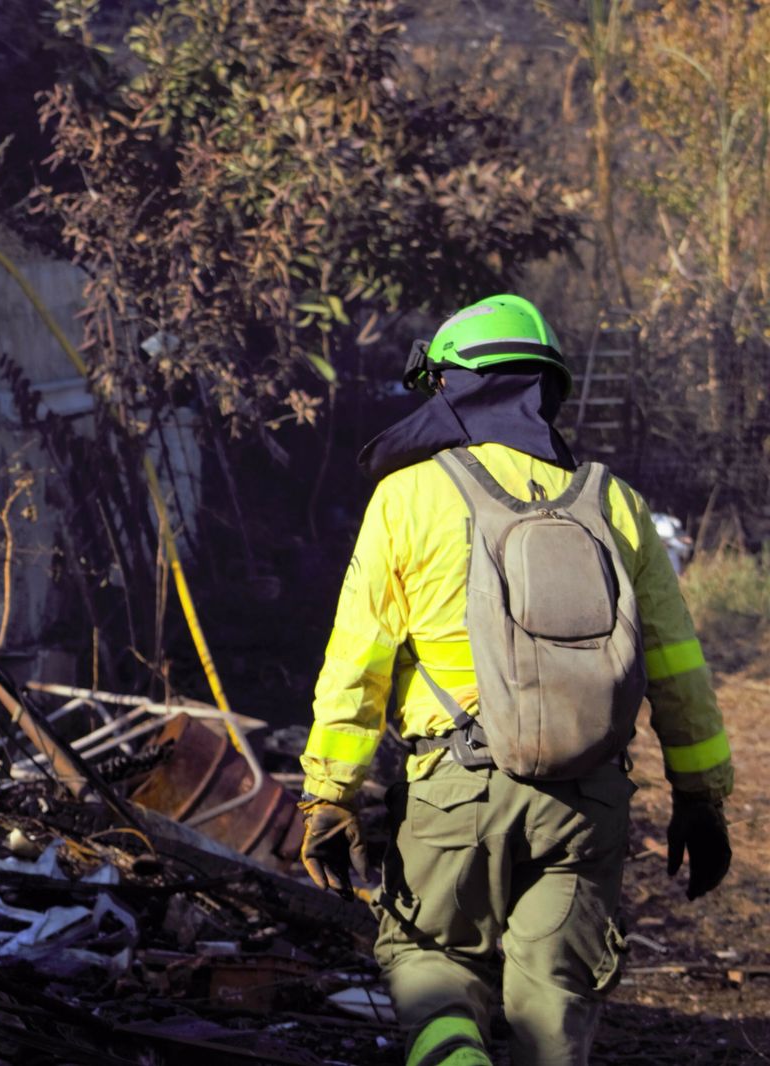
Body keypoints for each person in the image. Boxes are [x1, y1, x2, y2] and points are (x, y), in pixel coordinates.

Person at [297, 294, 733, 1066]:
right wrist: (700, 796)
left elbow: (357, 661)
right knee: (553, 998)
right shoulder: (616, 504)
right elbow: (677, 671)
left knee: (433, 966)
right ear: (547, 389)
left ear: (452, 387)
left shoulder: (407, 497)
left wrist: (331, 793)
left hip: (453, 791)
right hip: (587, 799)